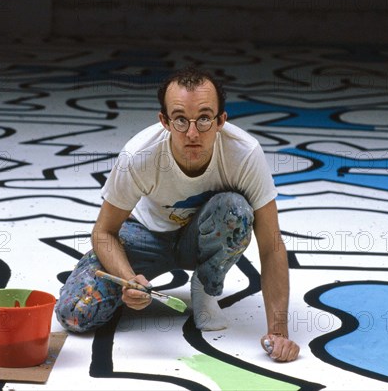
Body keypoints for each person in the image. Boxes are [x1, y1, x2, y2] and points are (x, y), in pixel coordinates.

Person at [55, 66, 300, 362]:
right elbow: (103, 232)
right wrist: (129, 280)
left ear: (222, 120)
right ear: (164, 121)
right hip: (144, 236)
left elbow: (271, 245)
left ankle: (206, 286)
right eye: (181, 120)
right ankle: (126, 294)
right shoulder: (139, 155)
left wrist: (279, 332)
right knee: (75, 315)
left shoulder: (244, 153)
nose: (193, 133)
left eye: (205, 118)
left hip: (201, 240)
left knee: (236, 210)